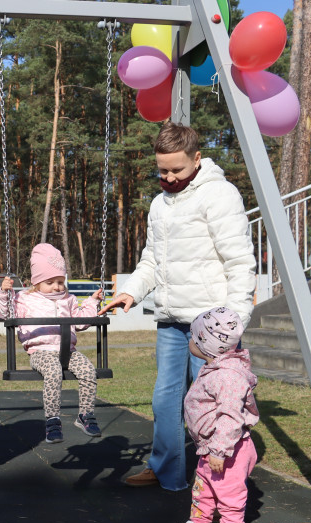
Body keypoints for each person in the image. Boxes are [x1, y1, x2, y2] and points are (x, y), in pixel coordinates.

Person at [100, 122, 256, 491]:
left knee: (213, 403)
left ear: (197, 159)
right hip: (171, 319)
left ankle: (219, 477)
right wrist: (131, 292)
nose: (168, 177)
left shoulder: (220, 196)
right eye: (162, 170)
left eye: (176, 170)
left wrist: (232, 322)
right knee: (164, 399)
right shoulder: (160, 204)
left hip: (210, 325)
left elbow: (240, 262)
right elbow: (152, 260)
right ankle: (167, 469)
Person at [168, 307, 258, 523]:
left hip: (229, 448)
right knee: (204, 488)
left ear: (207, 346)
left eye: (195, 338)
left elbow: (230, 416)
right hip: (211, 446)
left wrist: (220, 450)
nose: (191, 341)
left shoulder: (228, 376)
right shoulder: (215, 367)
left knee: (229, 491)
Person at [0, 243, 104, 444]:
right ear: (36, 282)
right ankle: (53, 420)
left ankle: (85, 415)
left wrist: (92, 302)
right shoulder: (24, 299)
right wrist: (5, 294)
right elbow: (6, 314)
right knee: (54, 372)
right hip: (41, 352)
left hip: (68, 350)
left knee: (89, 371)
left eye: (60, 281)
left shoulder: (69, 299)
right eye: (50, 282)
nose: (56, 286)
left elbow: (81, 322)